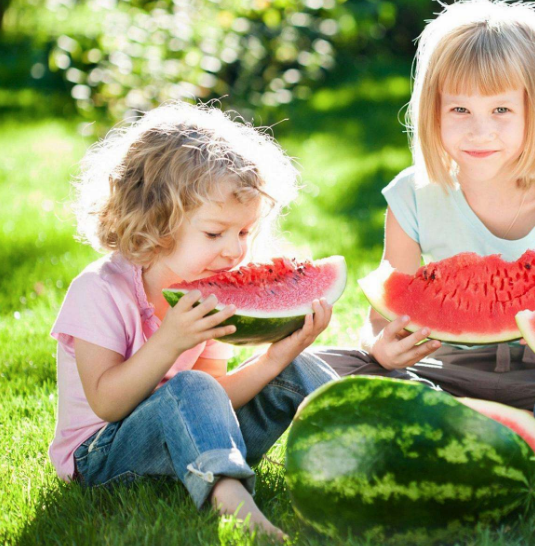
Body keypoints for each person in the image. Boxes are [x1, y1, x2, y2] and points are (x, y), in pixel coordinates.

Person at [50, 101, 337, 540]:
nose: (234, 251)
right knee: (189, 386)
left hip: (194, 440)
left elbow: (215, 396)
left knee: (297, 368)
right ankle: (234, 503)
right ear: (155, 222)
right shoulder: (98, 292)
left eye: (244, 232)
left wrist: (277, 358)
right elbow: (107, 403)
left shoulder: (212, 290)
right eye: (214, 233)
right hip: (103, 456)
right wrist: (170, 341)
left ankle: (374, 452)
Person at [316, 0, 535, 410]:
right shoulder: (412, 196)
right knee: (319, 366)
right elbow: (382, 317)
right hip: (439, 372)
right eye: (459, 109)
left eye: (501, 110)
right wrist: (380, 347)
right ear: (433, 111)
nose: (481, 131)